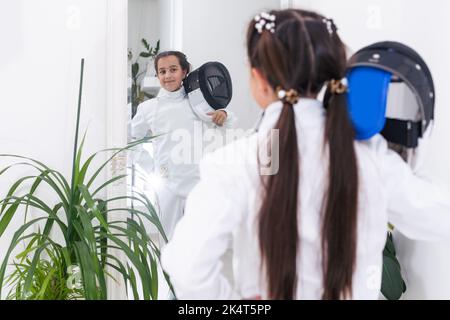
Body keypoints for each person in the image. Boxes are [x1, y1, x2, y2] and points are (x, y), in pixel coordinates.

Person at [160, 9, 450, 299]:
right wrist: (407, 150)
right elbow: (438, 217)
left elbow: (187, 268)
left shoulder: (234, 161)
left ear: (259, 80)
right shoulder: (371, 156)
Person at [130, 51, 234, 242]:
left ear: (185, 71)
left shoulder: (198, 103)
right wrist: (152, 168)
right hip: (167, 188)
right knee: (169, 244)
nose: (168, 75)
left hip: (198, 183)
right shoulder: (148, 108)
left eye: (173, 69)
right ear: (157, 75)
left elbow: (225, 124)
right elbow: (131, 140)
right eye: (162, 71)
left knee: (201, 243)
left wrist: (223, 114)